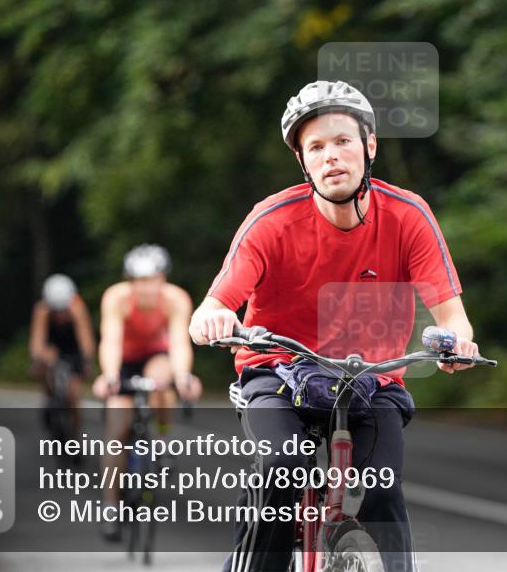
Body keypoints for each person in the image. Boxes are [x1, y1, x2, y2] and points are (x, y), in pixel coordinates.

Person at [189, 80, 479, 572]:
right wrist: (215, 317)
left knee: (384, 492)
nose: (331, 157)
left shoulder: (409, 216)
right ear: (303, 161)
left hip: (371, 378)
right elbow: (212, 306)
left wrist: (460, 344)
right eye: (316, 147)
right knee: (280, 472)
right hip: (278, 374)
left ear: (369, 146)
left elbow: (453, 317)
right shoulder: (271, 222)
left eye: (343, 141)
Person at [92, 244, 202, 541]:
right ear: (130, 282)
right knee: (116, 432)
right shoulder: (116, 298)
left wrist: (183, 377)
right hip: (125, 362)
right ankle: (111, 508)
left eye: (152, 280)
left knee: (161, 382)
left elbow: (180, 342)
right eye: (139, 281)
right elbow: (111, 340)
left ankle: (162, 437)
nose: (146, 288)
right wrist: (111, 375)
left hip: (157, 357)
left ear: (163, 279)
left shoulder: (176, 299)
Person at [29, 274, 97, 432]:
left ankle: (75, 437)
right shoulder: (42, 310)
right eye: (56, 311)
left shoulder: (77, 308)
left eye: (63, 311)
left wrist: (87, 360)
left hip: (73, 348)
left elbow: (86, 340)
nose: (60, 316)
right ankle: (49, 397)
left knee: (74, 395)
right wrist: (39, 357)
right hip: (53, 346)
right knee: (42, 365)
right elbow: (37, 342)